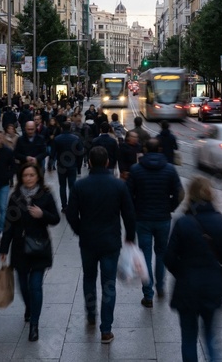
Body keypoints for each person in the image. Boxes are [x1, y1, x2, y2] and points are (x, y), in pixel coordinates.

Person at [66, 146, 136, 344]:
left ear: (89, 162)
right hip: (110, 241)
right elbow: (129, 215)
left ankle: (90, 313)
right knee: (109, 284)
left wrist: (80, 230)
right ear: (107, 162)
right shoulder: (118, 186)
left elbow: (72, 214)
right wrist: (130, 236)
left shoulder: (80, 186)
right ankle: (106, 329)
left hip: (88, 241)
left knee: (89, 278)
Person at [164, 176, 222, 362]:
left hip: (187, 287)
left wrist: (182, 272)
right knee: (210, 336)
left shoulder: (182, 222)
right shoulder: (220, 221)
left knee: (188, 338)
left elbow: (169, 257)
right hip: (212, 287)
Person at [0, 163, 60, 342]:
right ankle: (29, 306)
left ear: (38, 177)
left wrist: (43, 214)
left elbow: (56, 218)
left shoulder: (46, 195)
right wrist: (4, 248)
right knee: (23, 286)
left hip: (39, 247)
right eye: (25, 175)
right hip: (19, 249)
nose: (28, 179)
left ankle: (34, 324)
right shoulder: (15, 196)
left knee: (35, 286)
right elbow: (8, 224)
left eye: (31, 175)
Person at [127, 138, 184, 307]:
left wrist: (135, 209)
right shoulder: (170, 169)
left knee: (145, 255)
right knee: (161, 253)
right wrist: (170, 207)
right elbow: (179, 193)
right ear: (159, 149)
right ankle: (160, 286)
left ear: (144, 149)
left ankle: (148, 294)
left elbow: (128, 195)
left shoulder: (136, 170)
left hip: (142, 218)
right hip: (163, 218)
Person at [54, 122, 83, 212]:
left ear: (62, 128)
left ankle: (64, 205)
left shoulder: (57, 139)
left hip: (61, 165)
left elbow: (53, 153)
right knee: (72, 186)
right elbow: (80, 153)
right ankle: (72, 205)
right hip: (72, 165)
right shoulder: (76, 138)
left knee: (62, 186)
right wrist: (79, 165)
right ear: (70, 128)